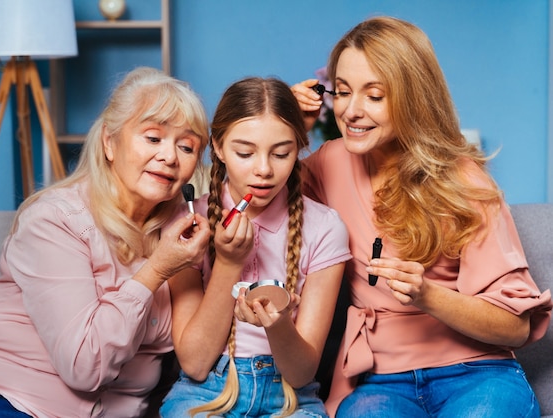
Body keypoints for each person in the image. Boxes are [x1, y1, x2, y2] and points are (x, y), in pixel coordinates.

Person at [291, 16, 552, 417]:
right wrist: (290, 132)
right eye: (342, 93)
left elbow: (515, 327)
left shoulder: (464, 180)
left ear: (413, 96)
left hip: (478, 372)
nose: (352, 111)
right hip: (382, 381)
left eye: (374, 96)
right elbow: (261, 207)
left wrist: (428, 296)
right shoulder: (329, 163)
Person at [0, 67, 212, 418]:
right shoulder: (55, 220)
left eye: (186, 147)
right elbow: (84, 366)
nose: (170, 156)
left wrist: (288, 120)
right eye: (153, 138)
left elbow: (260, 192)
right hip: (1, 400)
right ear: (110, 142)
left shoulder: (186, 233)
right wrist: (156, 270)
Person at [159, 77, 352, 417]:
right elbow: (195, 362)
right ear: (217, 147)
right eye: (244, 153)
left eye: (281, 153)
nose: (263, 170)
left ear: (299, 148)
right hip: (205, 390)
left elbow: (301, 372)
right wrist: (229, 263)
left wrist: (277, 325)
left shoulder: (324, 228)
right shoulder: (189, 222)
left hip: (291, 395)